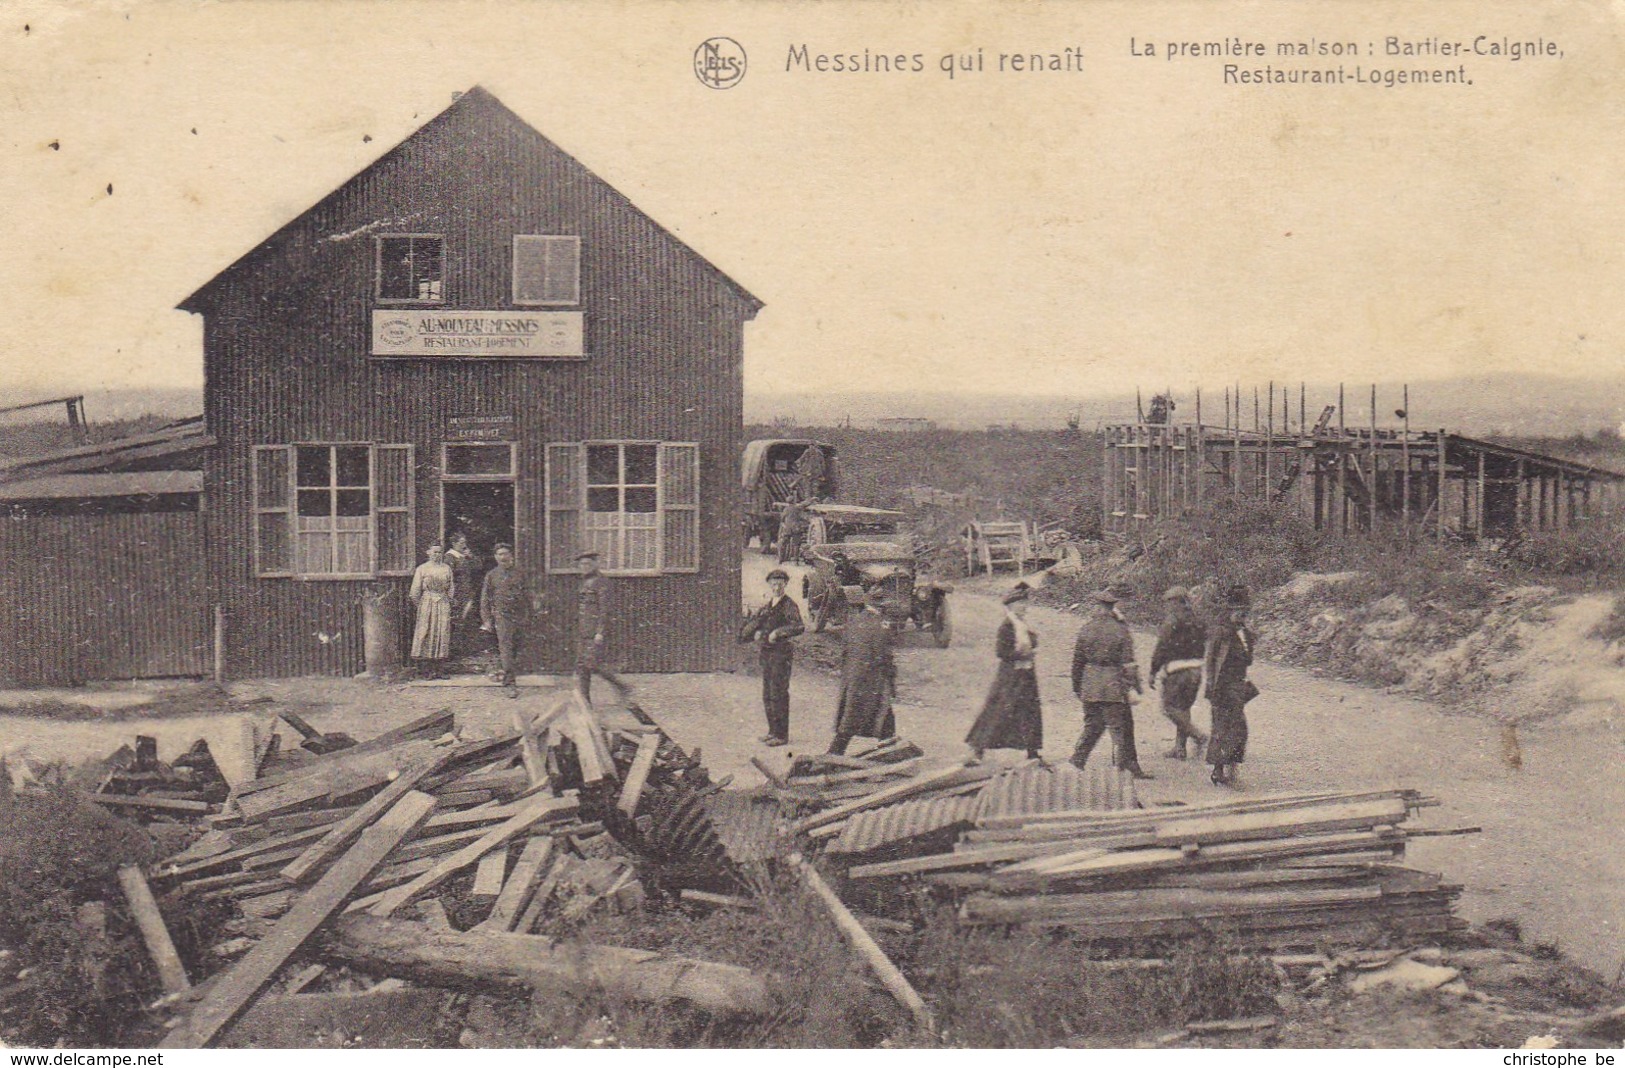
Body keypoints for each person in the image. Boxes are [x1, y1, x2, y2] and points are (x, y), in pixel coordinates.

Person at [1069, 589, 1153, 779]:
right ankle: (1120, 770)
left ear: (1097, 608)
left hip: (1090, 684)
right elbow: (1129, 664)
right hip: (1114, 685)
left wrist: (1078, 687)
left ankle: (1077, 762)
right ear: (1112, 608)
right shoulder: (1120, 631)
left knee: (1092, 725)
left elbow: (1077, 663)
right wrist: (1135, 687)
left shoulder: (1086, 629)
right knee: (1118, 729)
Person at [965, 583, 1043, 762]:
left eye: (1025, 603)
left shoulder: (1023, 625)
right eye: (1020, 604)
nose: (1024, 607)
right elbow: (1001, 652)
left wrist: (1031, 648)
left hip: (1026, 674)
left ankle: (1033, 753)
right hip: (1010, 676)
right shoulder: (1007, 627)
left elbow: (1032, 642)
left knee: (1030, 711)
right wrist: (1022, 654)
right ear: (1011, 606)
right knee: (998, 711)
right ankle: (977, 749)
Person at [739, 567, 805, 747]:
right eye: (773, 584)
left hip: (781, 655)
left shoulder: (789, 605)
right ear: (769, 585)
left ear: (785, 585)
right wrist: (755, 632)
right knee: (767, 694)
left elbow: (799, 626)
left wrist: (779, 632)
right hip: (767, 654)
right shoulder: (769, 605)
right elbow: (757, 623)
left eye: (780, 584)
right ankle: (772, 731)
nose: (776, 587)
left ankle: (781, 735)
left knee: (779, 693)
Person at [828, 588, 897, 755]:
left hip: (853, 676)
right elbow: (883, 655)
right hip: (872, 678)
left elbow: (845, 650)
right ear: (882, 606)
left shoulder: (854, 621)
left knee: (858, 714)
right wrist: (891, 675)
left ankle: (888, 749)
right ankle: (833, 755)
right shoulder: (882, 624)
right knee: (875, 711)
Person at [1204, 584, 1258, 786]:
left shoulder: (1244, 633)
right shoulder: (1220, 632)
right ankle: (1219, 771)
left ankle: (1231, 766)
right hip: (1222, 686)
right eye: (1238, 612)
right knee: (1221, 728)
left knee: (1239, 729)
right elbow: (1210, 661)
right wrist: (1211, 686)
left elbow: (1248, 659)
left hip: (1237, 686)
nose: (1242, 616)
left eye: (1244, 613)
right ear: (1229, 611)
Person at [1149, 586, 1210, 759]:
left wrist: (1153, 671)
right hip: (1196, 670)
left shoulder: (1172, 621)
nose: (1167, 606)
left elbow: (1162, 647)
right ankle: (1180, 748)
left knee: (1169, 708)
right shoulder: (1199, 619)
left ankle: (1199, 736)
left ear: (1176, 602)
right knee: (1184, 708)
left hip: (1177, 671)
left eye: (1169, 602)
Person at [480, 543, 538, 696]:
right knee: (506, 648)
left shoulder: (520, 573)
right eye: (500, 554)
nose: (503, 557)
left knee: (517, 648)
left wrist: (531, 615)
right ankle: (510, 684)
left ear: (511, 556)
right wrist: (486, 619)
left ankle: (508, 675)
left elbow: (529, 595)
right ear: (495, 557)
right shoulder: (491, 575)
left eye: (506, 553)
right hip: (502, 616)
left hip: (520, 615)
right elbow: (485, 599)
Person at [575, 550, 631, 703]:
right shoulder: (584, 581)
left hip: (595, 631)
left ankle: (621, 686)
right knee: (583, 665)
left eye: (587, 563)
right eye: (581, 564)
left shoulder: (602, 582)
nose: (584, 567)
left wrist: (600, 632)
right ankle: (585, 701)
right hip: (584, 630)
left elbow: (605, 609)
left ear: (595, 564)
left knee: (591, 664)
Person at [408, 545, 455, 676]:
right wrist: (422, 606)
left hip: (443, 602)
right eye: (435, 552)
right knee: (426, 632)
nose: (437, 555)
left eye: (440, 552)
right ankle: (427, 670)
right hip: (427, 602)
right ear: (428, 552)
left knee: (442, 632)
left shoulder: (446, 568)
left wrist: (448, 601)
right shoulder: (422, 569)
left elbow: (451, 588)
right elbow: (414, 592)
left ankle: (440, 669)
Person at [444, 531, 483, 655]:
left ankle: (467, 649)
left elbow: (479, 566)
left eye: (465, 542)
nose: (464, 545)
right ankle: (455, 650)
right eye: (461, 543)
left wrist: (470, 556)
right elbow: (448, 576)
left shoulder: (465, 555)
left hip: (467, 591)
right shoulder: (449, 557)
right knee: (457, 620)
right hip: (457, 592)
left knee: (468, 618)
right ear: (454, 543)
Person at [778, 496, 809, 564]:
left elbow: (782, 518)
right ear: (794, 501)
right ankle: (796, 561)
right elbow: (804, 504)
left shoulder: (786, 509)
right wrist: (812, 500)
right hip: (796, 528)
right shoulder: (797, 508)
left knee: (783, 543)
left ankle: (780, 559)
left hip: (787, 529)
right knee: (796, 545)